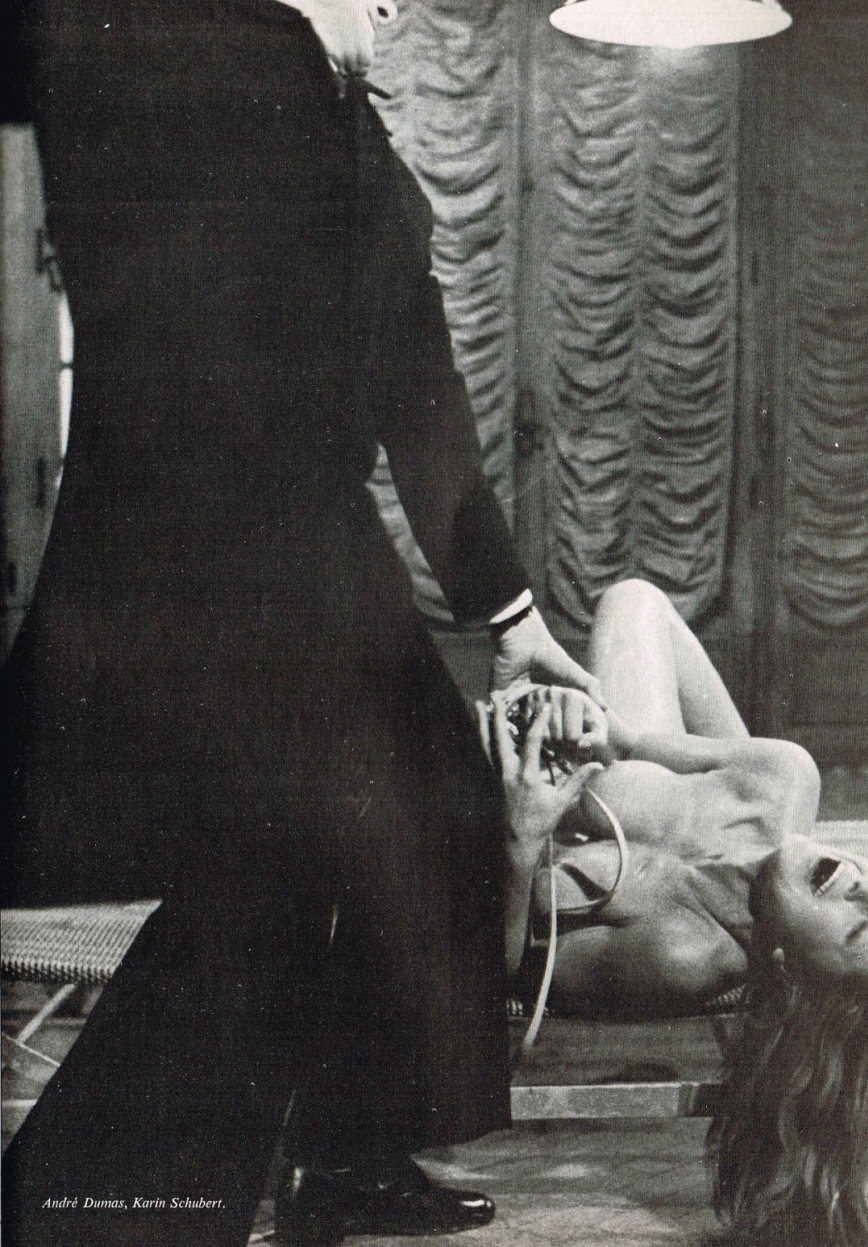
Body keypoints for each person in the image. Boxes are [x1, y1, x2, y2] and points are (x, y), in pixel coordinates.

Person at [0, 2, 603, 1245]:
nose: (390, 8)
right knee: (269, 884)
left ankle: (334, 1157)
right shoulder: (188, 57)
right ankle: (86, 1206)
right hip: (192, 569)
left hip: (298, 549)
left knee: (419, 809)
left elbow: (414, 376)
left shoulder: (335, 116)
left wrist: (510, 613)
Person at [487, 577, 868, 1245]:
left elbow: (501, 970)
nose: (862, 884)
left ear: (794, 973)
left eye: (858, 927)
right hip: (614, 787)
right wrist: (591, 725)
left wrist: (519, 840)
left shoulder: (680, 952)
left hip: (487, 826)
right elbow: (630, 743)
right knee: (634, 598)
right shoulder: (783, 776)